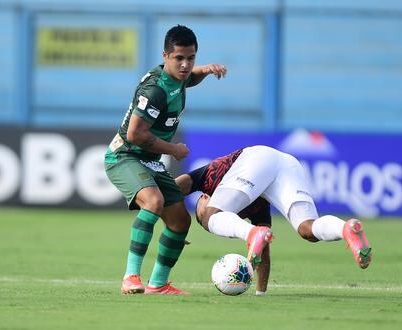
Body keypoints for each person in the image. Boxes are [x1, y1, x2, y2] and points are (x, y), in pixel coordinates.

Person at [104, 25, 227, 295]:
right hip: (124, 156)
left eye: (191, 58)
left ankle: (158, 284)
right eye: (179, 58)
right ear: (165, 56)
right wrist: (173, 150)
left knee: (180, 222)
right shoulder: (155, 91)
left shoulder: (178, 76)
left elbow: (187, 78)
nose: (185, 65)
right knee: (154, 201)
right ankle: (130, 277)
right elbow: (135, 134)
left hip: (148, 160)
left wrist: (205, 70)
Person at [175, 145, 372, 295]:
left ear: (203, 197)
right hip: (288, 165)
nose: (200, 216)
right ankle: (345, 228)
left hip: (256, 157)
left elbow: (173, 188)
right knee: (307, 228)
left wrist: (165, 217)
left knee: (213, 217)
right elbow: (264, 249)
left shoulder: (209, 179)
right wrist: (261, 293)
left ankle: (250, 233)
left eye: (197, 215)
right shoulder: (254, 204)